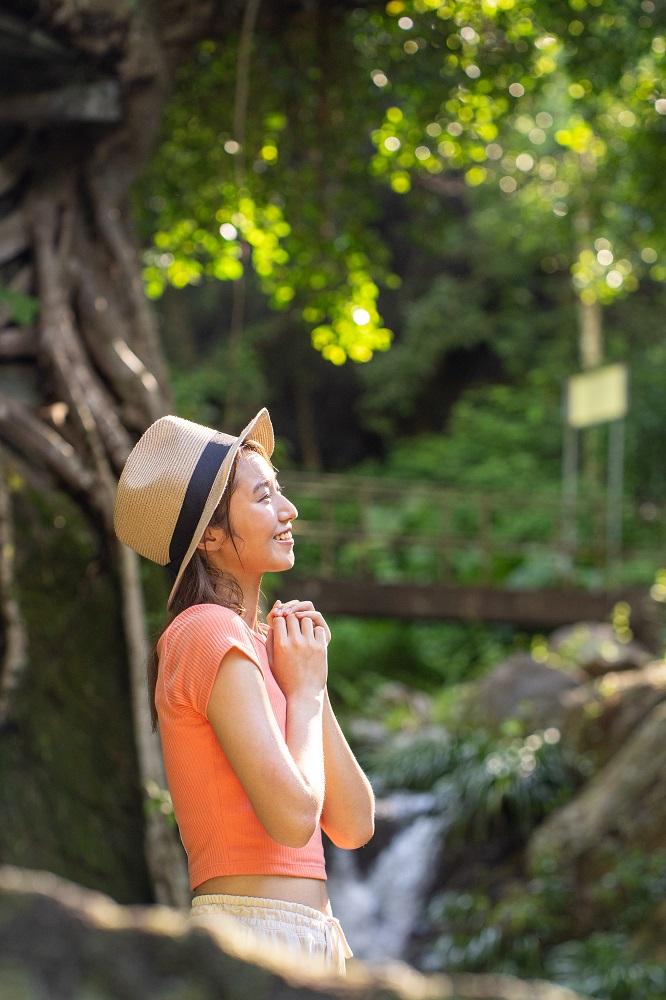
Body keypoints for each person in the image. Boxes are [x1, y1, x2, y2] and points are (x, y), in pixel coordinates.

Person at [113, 407, 375, 976]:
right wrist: (305, 694)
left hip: (307, 938)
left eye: (279, 492)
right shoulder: (205, 631)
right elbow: (294, 818)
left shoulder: (256, 644)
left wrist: (309, 682)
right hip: (255, 937)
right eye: (263, 497)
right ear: (210, 535)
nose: (289, 510)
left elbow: (355, 825)